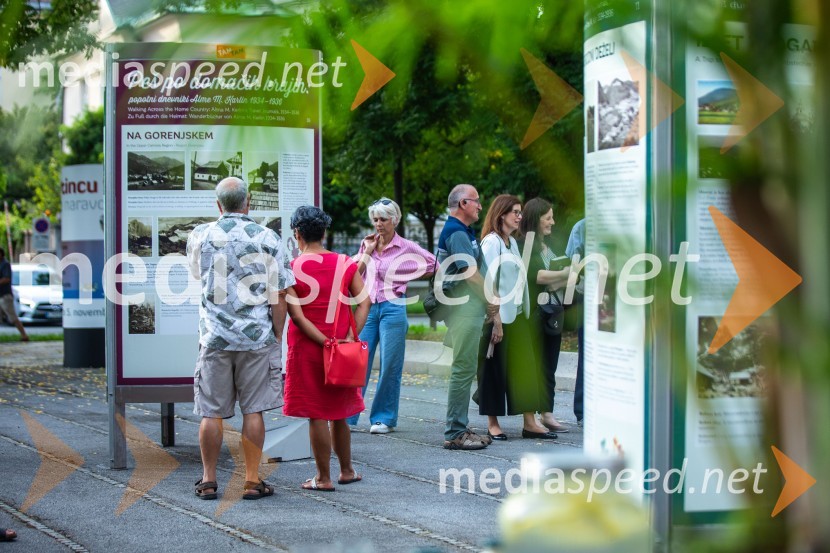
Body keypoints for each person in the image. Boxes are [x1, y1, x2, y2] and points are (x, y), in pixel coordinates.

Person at [186, 177, 294, 501]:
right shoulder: (269, 237)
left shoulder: (200, 235)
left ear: (218, 205)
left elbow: (196, 274)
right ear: (248, 203)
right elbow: (280, 293)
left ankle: (208, 479)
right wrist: (276, 333)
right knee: (254, 410)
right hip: (255, 337)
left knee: (211, 412)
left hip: (215, 338)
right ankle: (251, 479)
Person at [284, 205, 371, 491]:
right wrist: (349, 335)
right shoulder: (345, 263)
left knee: (317, 414)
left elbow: (296, 315)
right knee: (340, 411)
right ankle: (346, 470)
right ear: (324, 233)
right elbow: (364, 301)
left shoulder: (293, 268)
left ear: (297, 234)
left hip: (308, 348)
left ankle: (322, 477)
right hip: (342, 349)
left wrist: (324, 342)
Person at [346, 198, 435, 434]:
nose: (378, 224)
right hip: (367, 308)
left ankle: (383, 418)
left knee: (390, 365)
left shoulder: (406, 246)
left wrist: (407, 276)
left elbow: (433, 265)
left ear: (395, 220)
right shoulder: (367, 244)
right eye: (375, 219)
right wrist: (366, 253)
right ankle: (348, 417)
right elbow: (355, 275)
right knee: (358, 363)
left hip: (393, 306)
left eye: (383, 219)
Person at [476, 195, 556, 441]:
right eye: (515, 212)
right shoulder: (492, 243)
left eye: (521, 212)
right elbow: (488, 282)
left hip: (519, 314)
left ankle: (530, 422)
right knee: (494, 369)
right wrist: (496, 318)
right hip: (498, 316)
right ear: (502, 215)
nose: (520, 217)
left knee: (526, 367)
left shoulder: (511, 242)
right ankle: (493, 423)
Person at [437, 184, 498, 450]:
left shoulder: (462, 231)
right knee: (463, 370)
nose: (480, 206)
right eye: (476, 201)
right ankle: (455, 432)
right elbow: (470, 273)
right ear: (463, 204)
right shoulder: (456, 232)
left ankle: (459, 426)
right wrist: (491, 300)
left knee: (465, 369)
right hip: (464, 310)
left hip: (468, 309)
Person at [519, 198, 572, 433]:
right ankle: (533, 418)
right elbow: (536, 276)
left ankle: (547, 413)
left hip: (553, 311)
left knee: (550, 363)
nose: (553, 222)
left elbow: (571, 274)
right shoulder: (524, 245)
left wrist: (562, 276)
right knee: (536, 364)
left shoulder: (549, 247)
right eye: (548, 217)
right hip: (535, 313)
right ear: (536, 219)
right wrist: (562, 274)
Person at [565, 218, 585, 427]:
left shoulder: (581, 226)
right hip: (588, 297)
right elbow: (573, 264)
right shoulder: (581, 227)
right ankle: (582, 411)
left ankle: (583, 411)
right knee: (587, 353)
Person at [0, 247, 29, 342]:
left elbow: (6, 278)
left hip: (5, 295)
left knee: (12, 317)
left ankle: (24, 335)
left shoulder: (5, 264)